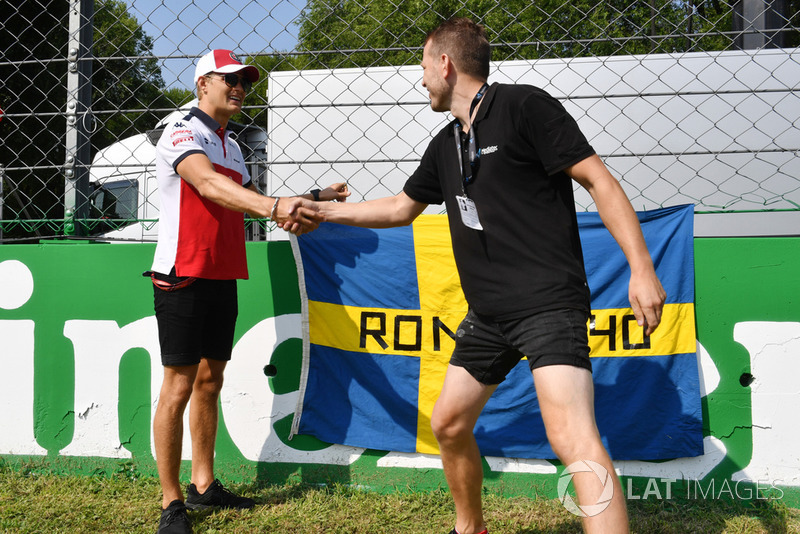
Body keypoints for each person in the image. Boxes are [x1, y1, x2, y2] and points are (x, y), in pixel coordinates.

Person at [298, 18, 666, 534]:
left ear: (445, 64)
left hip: (548, 304)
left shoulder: (524, 106)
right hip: (488, 316)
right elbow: (401, 208)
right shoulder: (447, 143)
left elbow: (598, 180)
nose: (421, 79)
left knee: (572, 436)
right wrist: (319, 213)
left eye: (424, 67)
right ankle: (469, 528)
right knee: (448, 424)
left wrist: (641, 268)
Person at [149, 49, 348, 534]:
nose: (239, 87)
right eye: (229, 80)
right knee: (177, 387)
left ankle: (203, 485)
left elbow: (247, 199)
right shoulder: (181, 129)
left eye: (244, 81)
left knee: (210, 382)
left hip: (222, 273)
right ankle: (171, 502)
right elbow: (210, 186)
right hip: (183, 273)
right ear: (202, 86)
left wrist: (311, 199)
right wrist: (276, 204)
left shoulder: (233, 144)